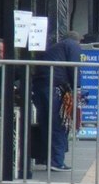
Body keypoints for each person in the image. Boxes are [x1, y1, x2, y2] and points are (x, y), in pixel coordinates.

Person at [32, 32, 82, 171]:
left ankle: (47, 158)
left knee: (46, 123)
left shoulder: (55, 48)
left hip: (41, 86)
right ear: (79, 41)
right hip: (55, 87)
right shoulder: (72, 45)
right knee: (58, 123)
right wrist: (77, 87)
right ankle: (56, 161)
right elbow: (75, 67)